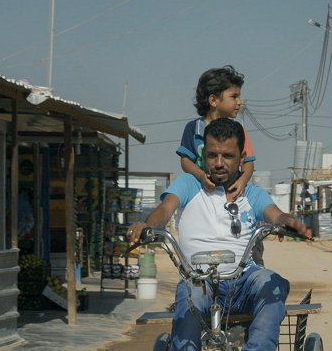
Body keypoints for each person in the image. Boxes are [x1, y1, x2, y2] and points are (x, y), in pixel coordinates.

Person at [128, 118, 311, 350]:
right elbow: (164, 210)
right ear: (204, 156)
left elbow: (275, 215)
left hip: (243, 280)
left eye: (228, 156)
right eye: (212, 155)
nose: (219, 163)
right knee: (190, 294)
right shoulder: (189, 184)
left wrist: (288, 222)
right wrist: (148, 226)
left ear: (242, 158)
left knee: (271, 281)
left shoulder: (252, 194)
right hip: (199, 280)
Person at [176, 65, 265, 265]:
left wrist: (242, 182)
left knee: (250, 245)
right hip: (205, 201)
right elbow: (185, 160)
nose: (239, 102)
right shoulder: (193, 129)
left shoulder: (238, 130)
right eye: (234, 96)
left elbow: (249, 163)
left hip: (234, 198)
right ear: (214, 100)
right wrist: (201, 176)